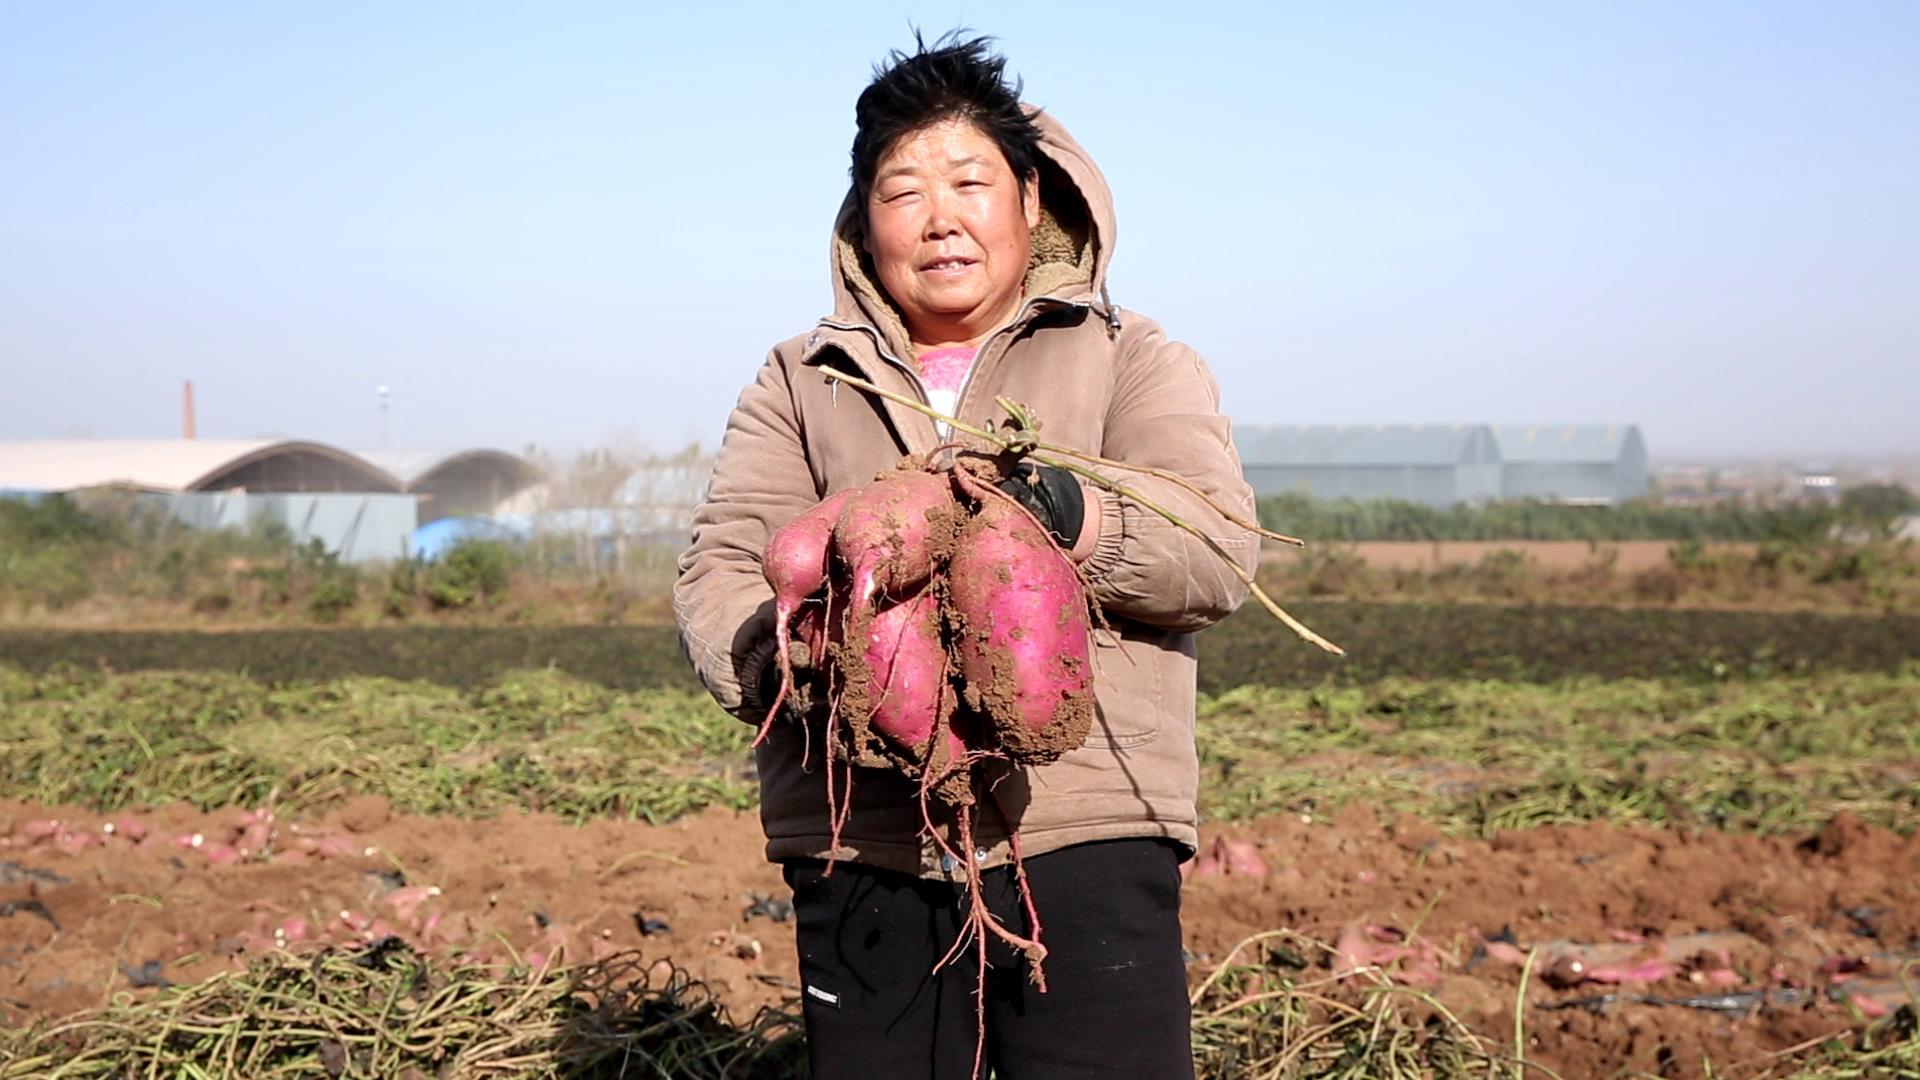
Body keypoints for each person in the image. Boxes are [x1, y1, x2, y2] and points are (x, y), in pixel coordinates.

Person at [674, 33, 1257, 1079]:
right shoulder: (801, 380)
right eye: (903, 190)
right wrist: (799, 665)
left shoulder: (1132, 358)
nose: (939, 216)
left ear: (1031, 198)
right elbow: (722, 567)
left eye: (969, 181)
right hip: (862, 836)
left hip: (1087, 827)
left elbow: (1215, 549)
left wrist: (1066, 514)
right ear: (863, 221)